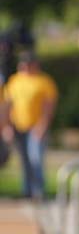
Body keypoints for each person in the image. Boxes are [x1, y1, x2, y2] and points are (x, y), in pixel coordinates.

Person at [0, 51, 58, 200]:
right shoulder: (15, 81)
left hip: (36, 127)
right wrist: (6, 126)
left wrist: (43, 125)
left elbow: (49, 106)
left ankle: (38, 190)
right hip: (18, 126)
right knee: (24, 160)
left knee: (35, 158)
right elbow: (7, 105)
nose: (24, 67)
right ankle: (27, 191)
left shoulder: (43, 81)